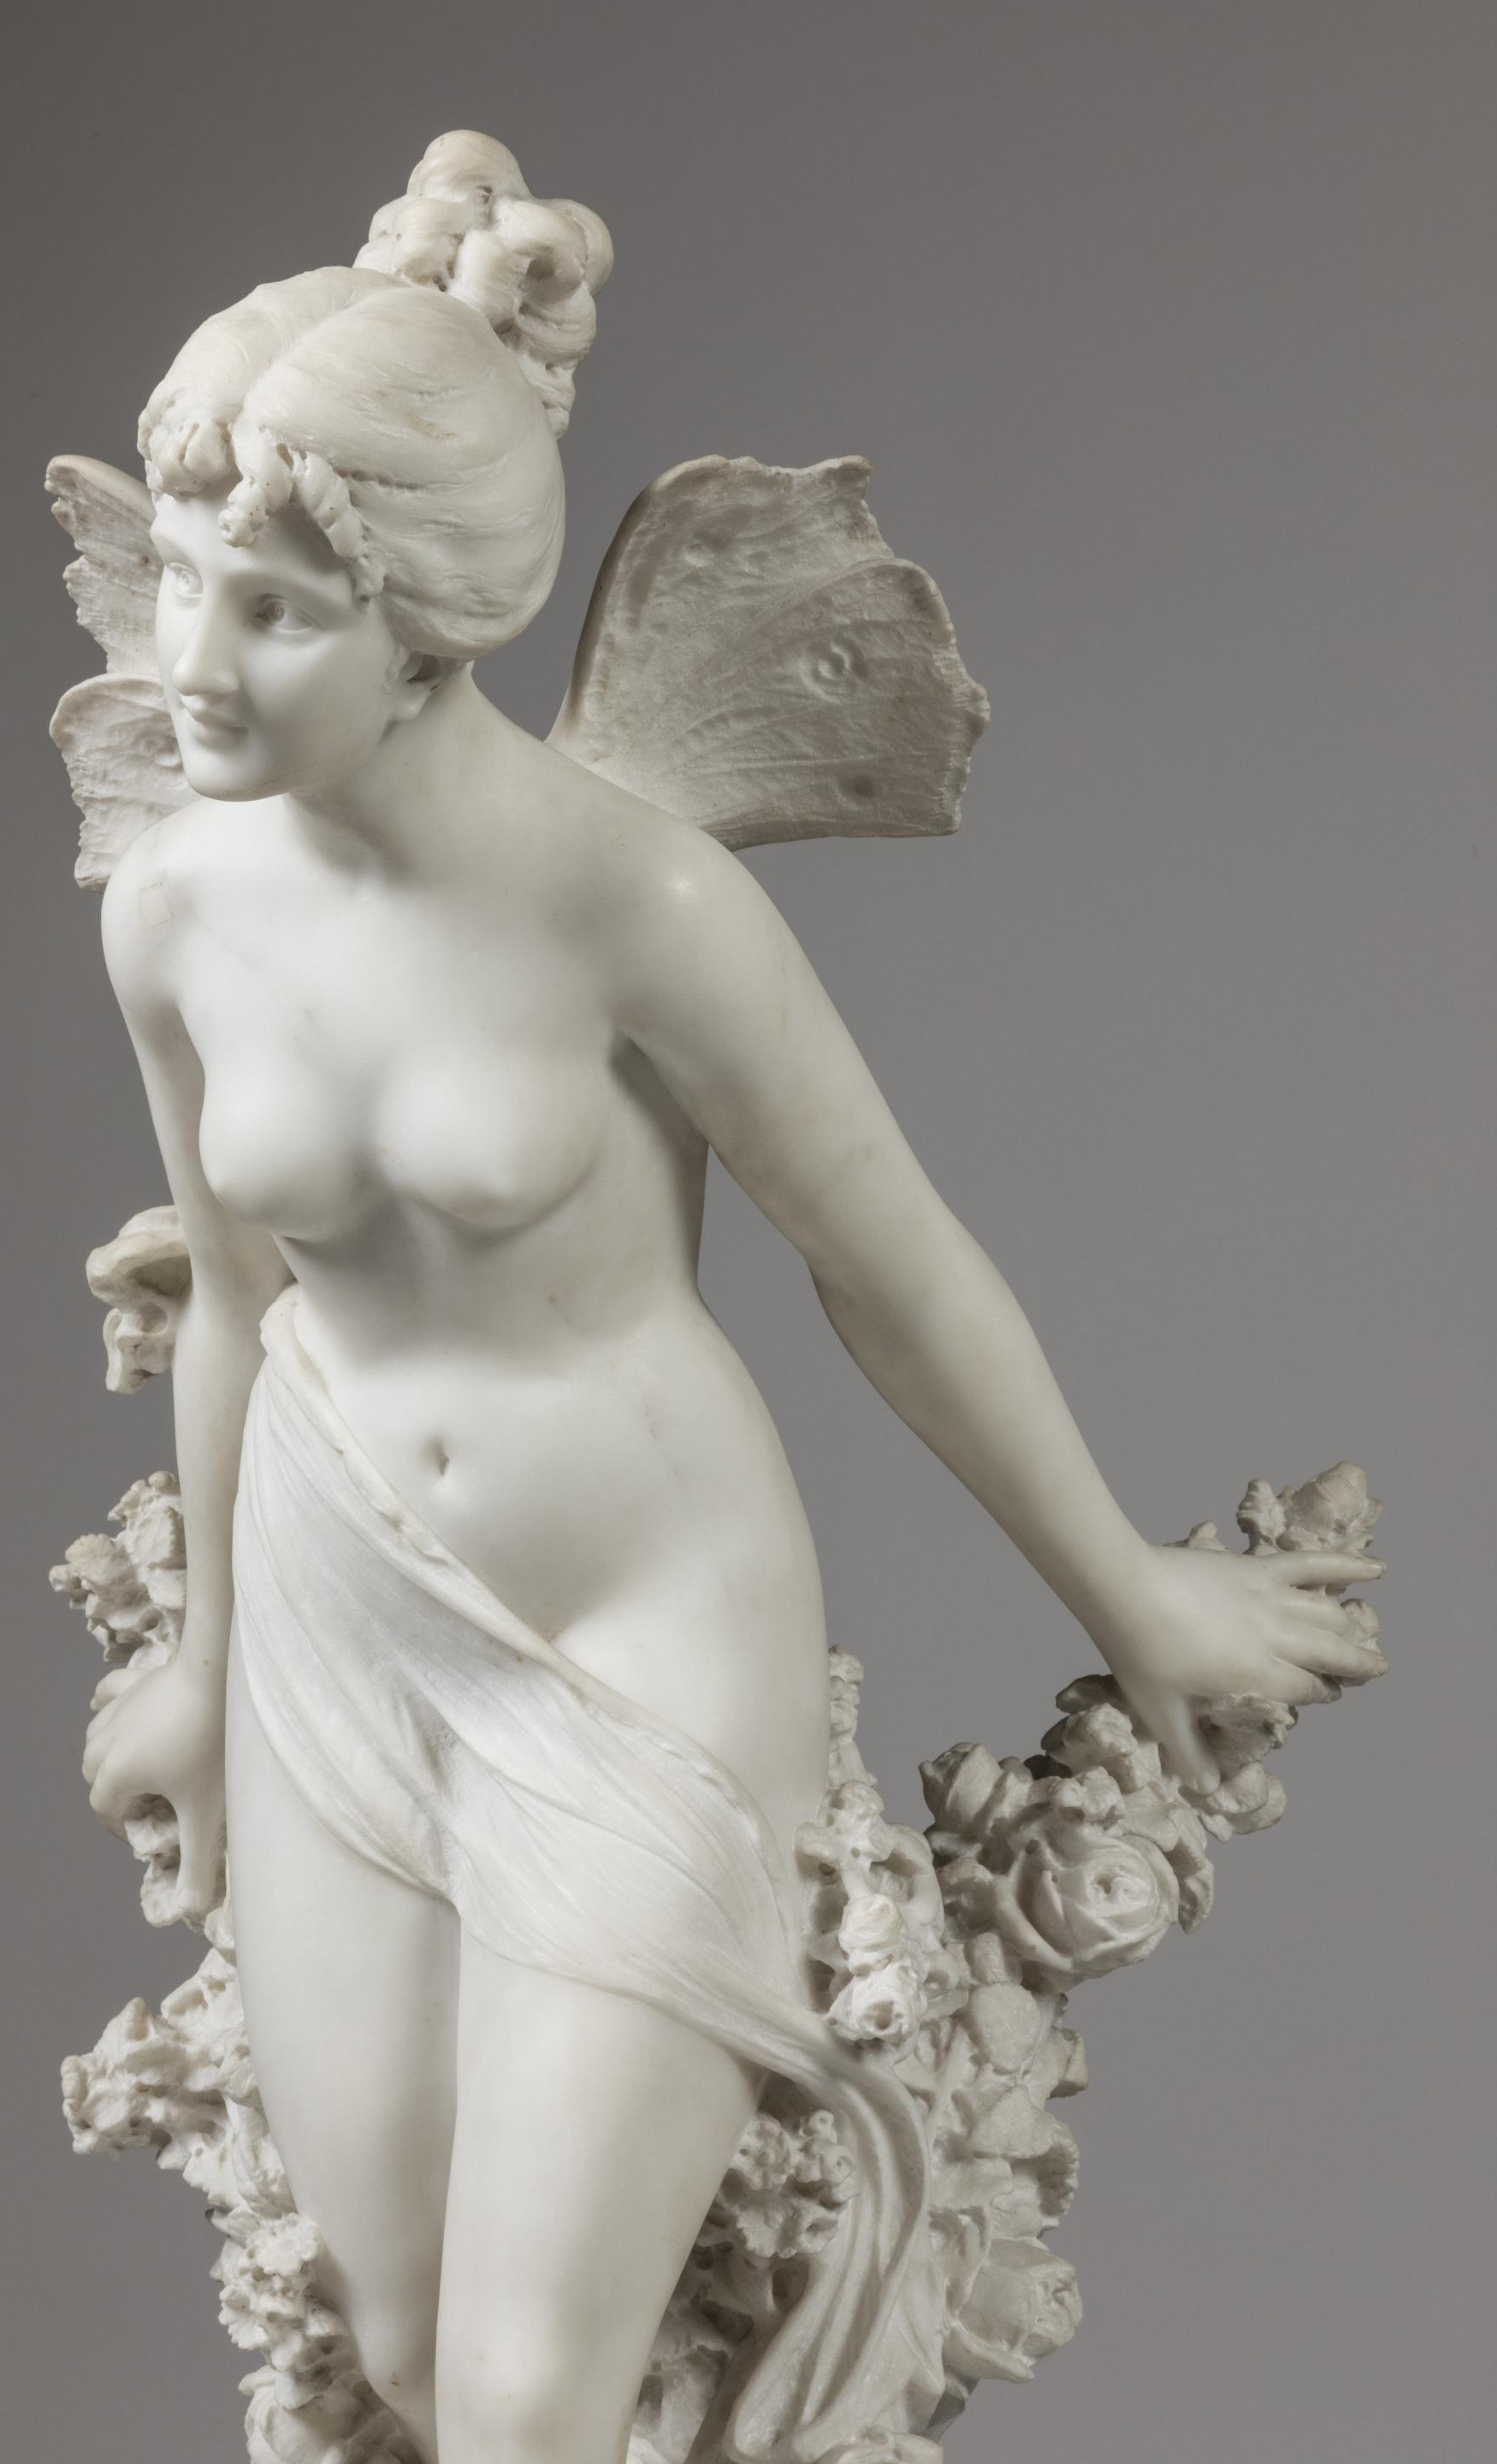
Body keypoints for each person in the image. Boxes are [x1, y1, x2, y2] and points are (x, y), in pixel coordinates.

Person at [78, 132, 1384, 2464]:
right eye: (180, 580)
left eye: (268, 607)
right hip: (334, 1604)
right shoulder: (171, 911)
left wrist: (1125, 1587)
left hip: (638, 1626)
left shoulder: (636, 903)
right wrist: (198, 1668)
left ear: (423, 626)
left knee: (527, 2404)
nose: (190, 660)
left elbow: (885, 1260)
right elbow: (241, 1301)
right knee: (393, 2348)